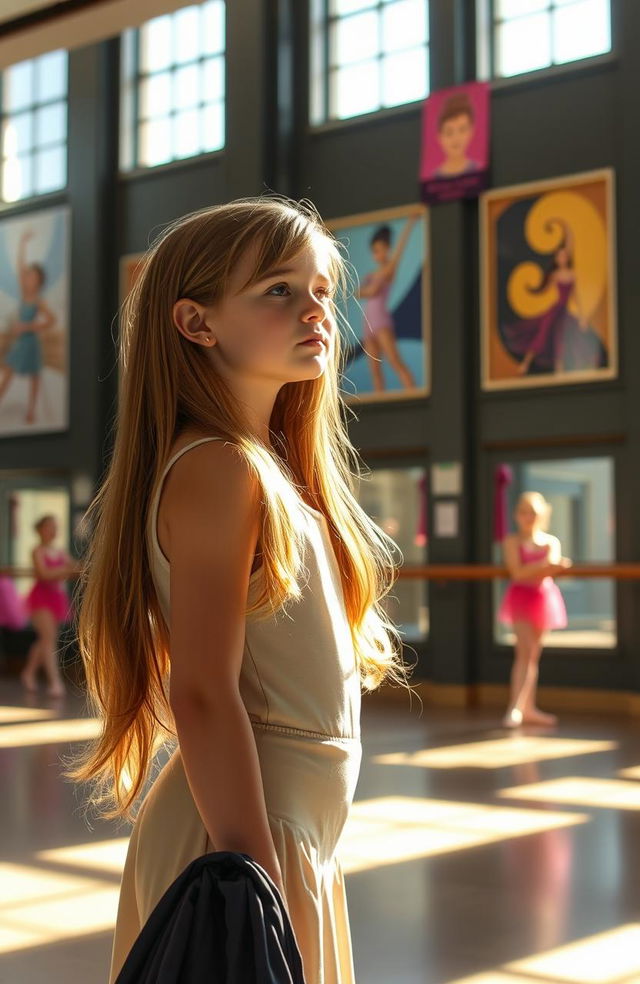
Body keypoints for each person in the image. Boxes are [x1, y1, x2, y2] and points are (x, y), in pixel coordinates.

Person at [69, 197, 407, 984]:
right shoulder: (221, 466)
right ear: (197, 322)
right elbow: (204, 691)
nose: (316, 309)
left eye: (322, 289)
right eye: (279, 290)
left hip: (287, 834)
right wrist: (253, 881)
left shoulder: (266, 468)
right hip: (244, 835)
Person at [499, 492, 571, 728]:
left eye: (533, 512)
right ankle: (516, 707)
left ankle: (528, 708)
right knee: (524, 651)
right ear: (516, 515)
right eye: (523, 512)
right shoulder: (511, 541)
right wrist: (543, 567)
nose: (528, 517)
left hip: (543, 598)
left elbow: (546, 570)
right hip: (521, 598)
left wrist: (538, 569)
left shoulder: (551, 541)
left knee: (533, 655)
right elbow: (518, 573)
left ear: (542, 515)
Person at [502, 218, 608, 377]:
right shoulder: (554, 275)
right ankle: (525, 364)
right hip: (555, 310)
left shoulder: (573, 275)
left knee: (565, 340)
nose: (562, 258)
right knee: (541, 335)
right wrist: (531, 288)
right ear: (557, 259)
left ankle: (561, 370)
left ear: (567, 257)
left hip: (565, 312)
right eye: (560, 256)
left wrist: (582, 317)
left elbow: (577, 297)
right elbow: (542, 288)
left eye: (564, 256)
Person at [0, 229, 56, 425]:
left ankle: (31, 410)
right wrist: (23, 243)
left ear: (38, 281)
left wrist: (29, 326)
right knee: (8, 370)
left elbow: (51, 320)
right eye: (28, 276)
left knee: (34, 376)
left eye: (32, 276)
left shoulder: (38, 301)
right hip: (20, 342)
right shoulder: (25, 295)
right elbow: (20, 266)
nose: (28, 278)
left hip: (30, 341)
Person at [358, 216, 418, 392]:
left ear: (388, 249)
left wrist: (409, 224)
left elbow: (369, 291)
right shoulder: (372, 274)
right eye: (375, 251)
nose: (379, 254)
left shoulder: (388, 269)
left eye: (382, 249)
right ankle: (380, 399)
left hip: (381, 321)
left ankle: (411, 393)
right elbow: (364, 291)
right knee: (374, 370)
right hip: (368, 321)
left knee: (394, 360)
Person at [21, 514, 78, 697]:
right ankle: (55, 682)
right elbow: (44, 574)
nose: (53, 530)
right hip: (40, 599)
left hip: (56, 599)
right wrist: (65, 570)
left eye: (55, 527)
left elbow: (75, 567)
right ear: (40, 530)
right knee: (49, 639)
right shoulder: (37, 551)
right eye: (49, 526)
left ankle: (28, 673)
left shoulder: (60, 552)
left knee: (46, 639)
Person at [432, 92, 481, 178]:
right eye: (449, 132)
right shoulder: (434, 177)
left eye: (462, 130)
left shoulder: (478, 169)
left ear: (471, 131)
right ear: (439, 136)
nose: (456, 138)